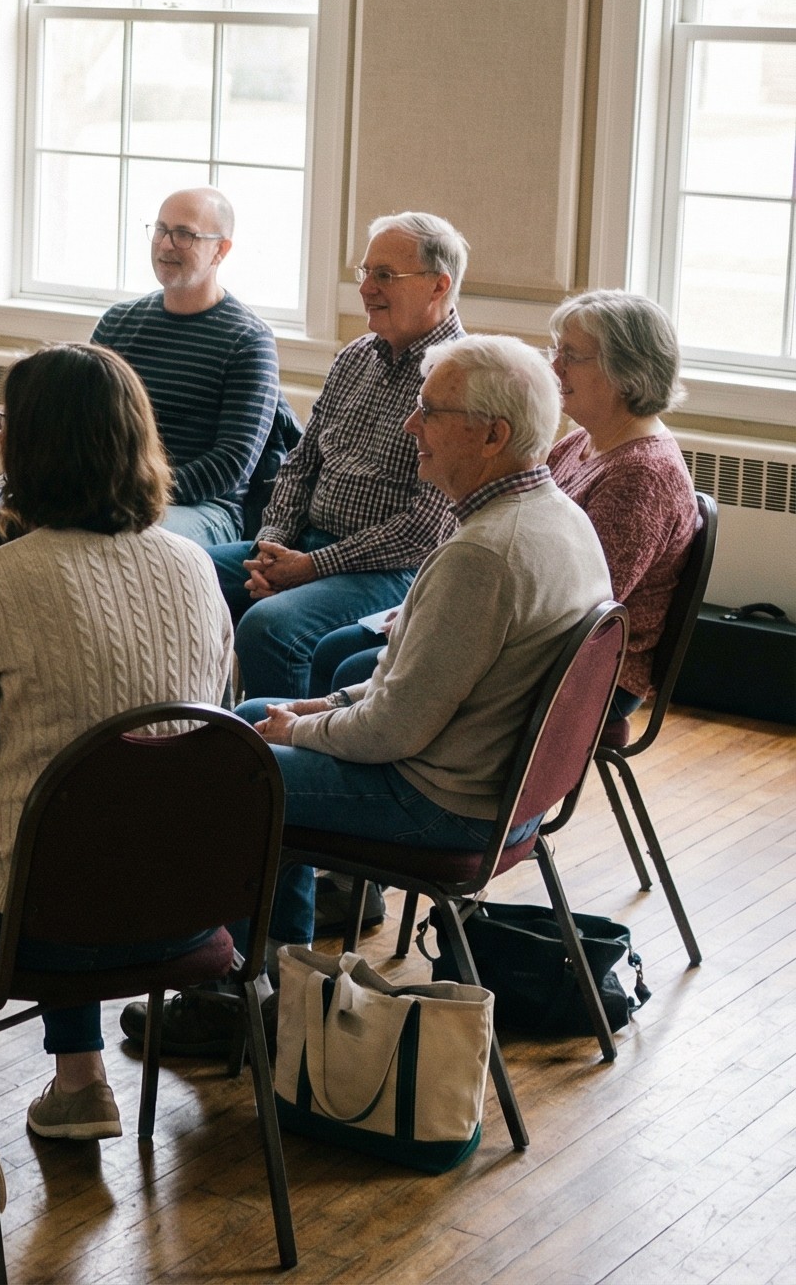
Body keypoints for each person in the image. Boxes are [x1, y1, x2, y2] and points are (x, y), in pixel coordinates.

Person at [131, 334, 611, 1057]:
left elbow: (393, 730)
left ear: (493, 435)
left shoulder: (483, 553)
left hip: (444, 804)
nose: (412, 425)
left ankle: (241, 996)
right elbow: (417, 681)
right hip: (500, 792)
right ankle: (279, 977)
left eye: (430, 411)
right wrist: (316, 711)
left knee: (226, 769)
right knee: (244, 724)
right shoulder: (554, 518)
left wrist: (298, 734)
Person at [0, 344, 232, 1141]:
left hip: (30, 921)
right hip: (187, 907)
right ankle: (80, 1075)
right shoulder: (199, 569)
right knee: (83, 825)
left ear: (27, 448)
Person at [304, 289, 700, 720]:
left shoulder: (642, 475)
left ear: (626, 369)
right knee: (335, 650)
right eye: (557, 350)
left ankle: (355, 768)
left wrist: (440, 622)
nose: (554, 368)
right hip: (525, 626)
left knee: (350, 665)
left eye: (572, 355)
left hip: (583, 674)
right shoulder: (584, 442)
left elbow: (576, 609)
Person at [202, 212, 467, 705]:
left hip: (391, 570)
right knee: (182, 571)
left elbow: (423, 531)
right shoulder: (355, 356)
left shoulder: (460, 378)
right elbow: (300, 465)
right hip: (300, 546)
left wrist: (310, 567)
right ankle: (198, 732)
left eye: (385, 275)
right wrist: (272, 547)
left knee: (269, 626)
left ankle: (277, 765)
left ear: (438, 286)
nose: (366, 289)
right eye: (364, 273)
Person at [0, 186, 279, 565]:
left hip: (201, 508)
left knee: (115, 540)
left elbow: (231, 463)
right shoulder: (119, 322)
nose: (166, 244)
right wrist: (14, 487)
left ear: (221, 250)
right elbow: (70, 425)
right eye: (160, 229)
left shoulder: (248, 340)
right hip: (103, 493)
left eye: (184, 234)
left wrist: (130, 494)